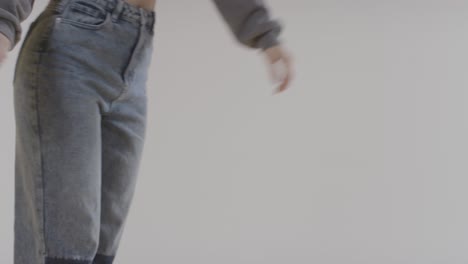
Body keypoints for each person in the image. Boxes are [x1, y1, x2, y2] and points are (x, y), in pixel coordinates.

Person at [0, 0, 294, 263]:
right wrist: (3, 21)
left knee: (103, 241)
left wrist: (265, 34)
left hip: (136, 56)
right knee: (66, 242)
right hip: (70, 46)